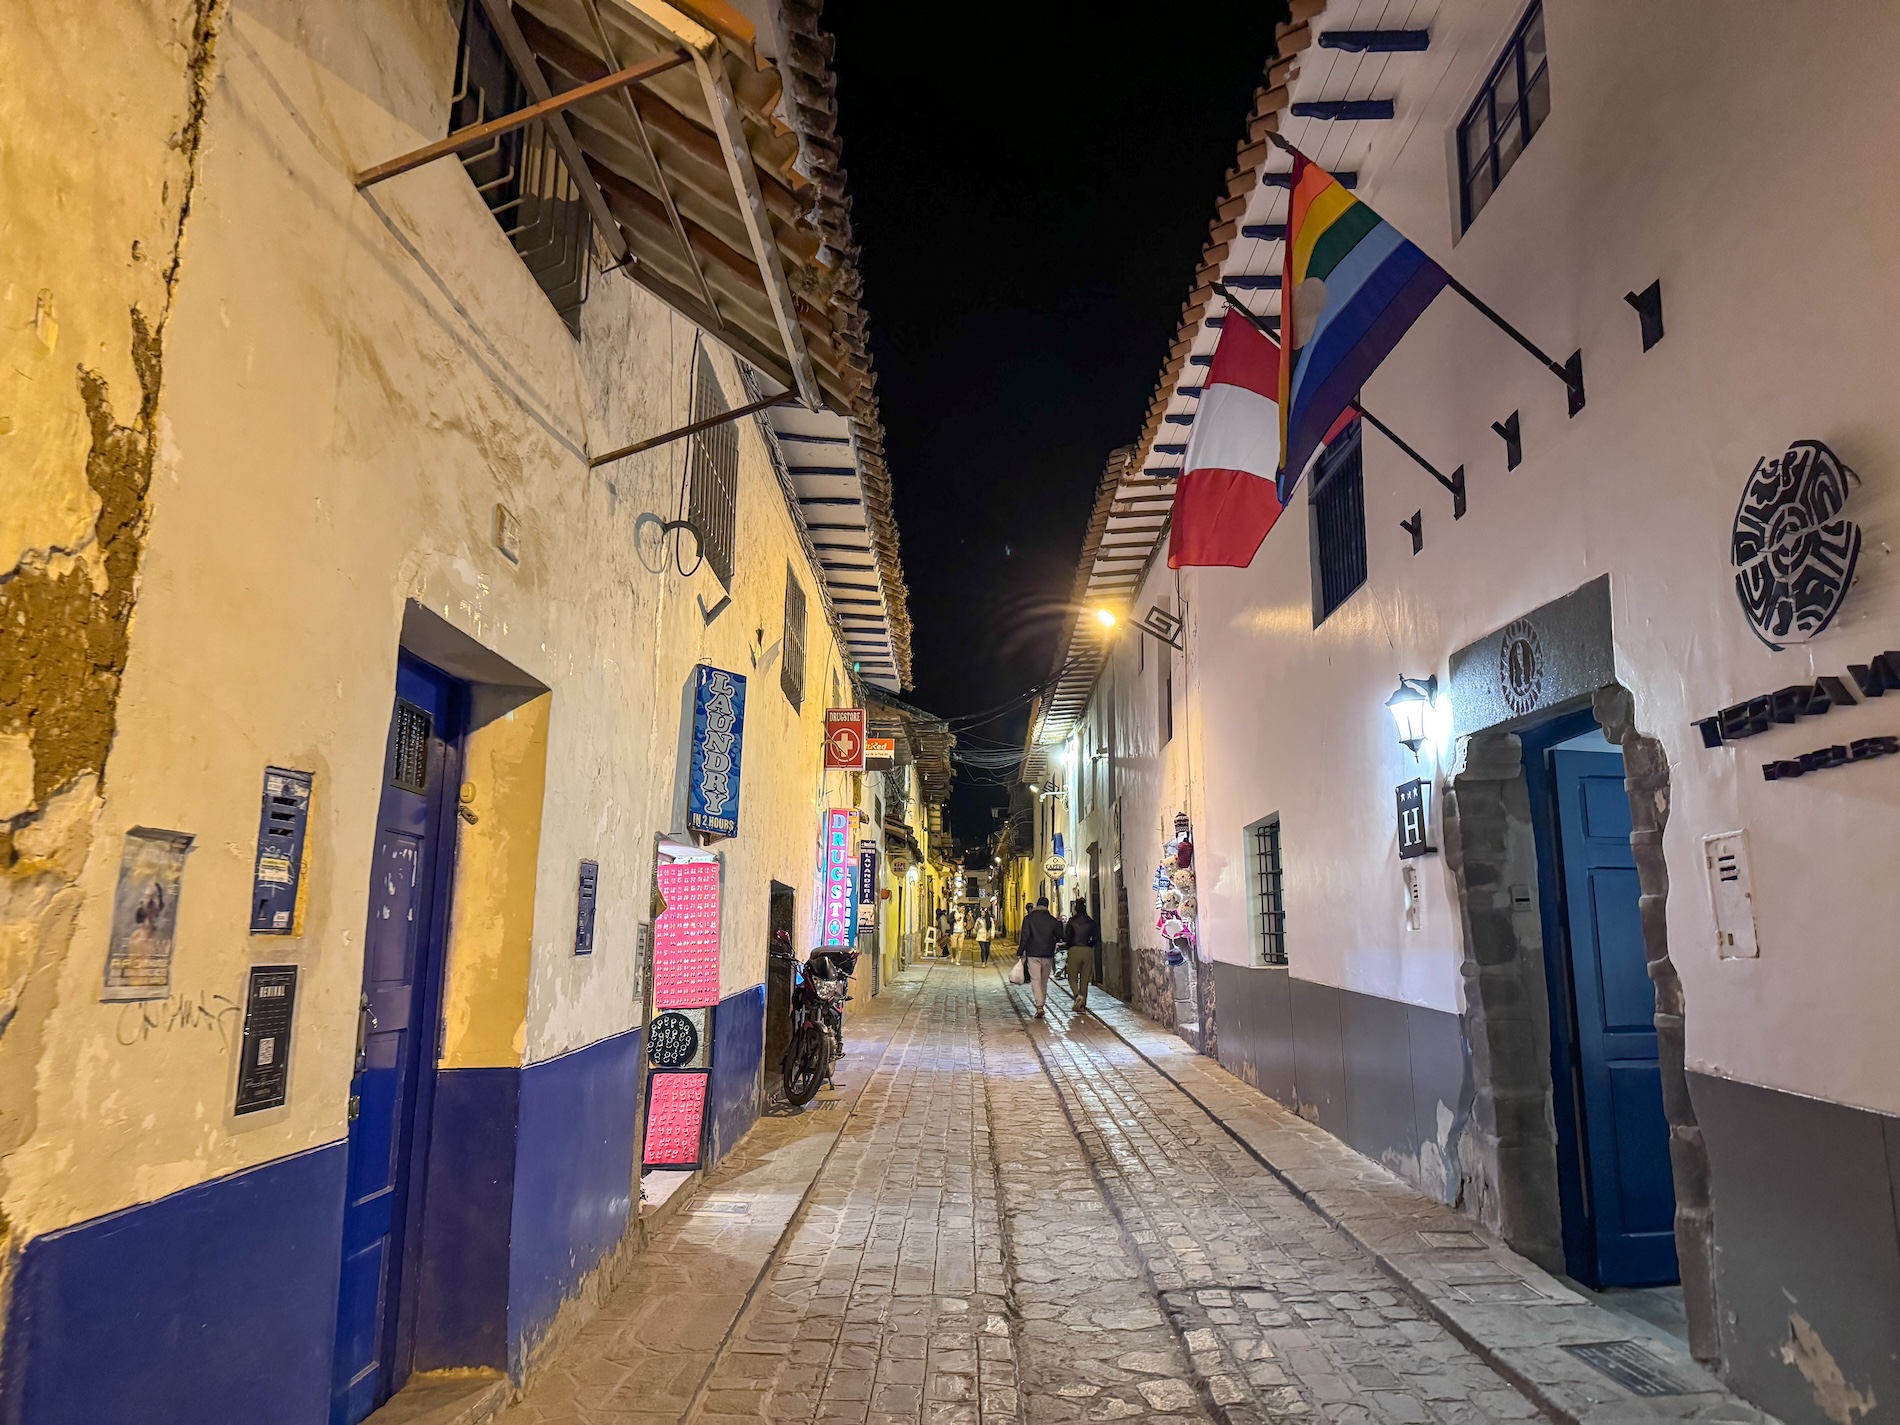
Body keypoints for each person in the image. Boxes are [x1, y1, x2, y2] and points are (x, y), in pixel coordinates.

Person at [1017, 896, 1060, 1018]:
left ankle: (1039, 1005)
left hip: (1033, 954)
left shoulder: (1029, 919)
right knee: (1044, 981)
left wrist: (1020, 951)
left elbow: (1024, 937)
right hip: (1047, 954)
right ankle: (1042, 1003)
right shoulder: (1052, 920)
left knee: (1035, 980)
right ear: (1047, 906)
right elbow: (1059, 936)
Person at [1064, 897, 1099, 1014]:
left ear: (1075, 908)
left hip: (1074, 950)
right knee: (1085, 979)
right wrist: (1089, 944)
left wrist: (1069, 945)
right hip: (1087, 950)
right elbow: (1096, 938)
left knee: (1072, 977)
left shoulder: (1072, 921)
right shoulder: (1091, 921)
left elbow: (1067, 938)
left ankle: (1077, 995)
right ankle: (1082, 1005)